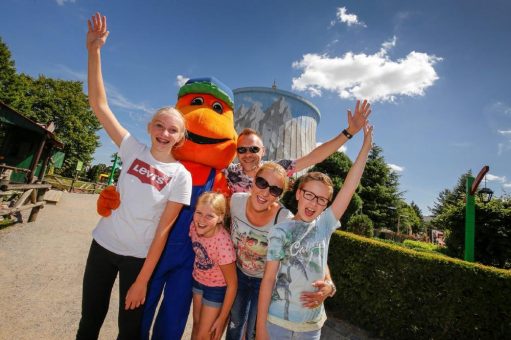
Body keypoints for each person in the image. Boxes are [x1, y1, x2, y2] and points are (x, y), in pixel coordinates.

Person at [77, 13, 192, 340]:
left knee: (128, 332)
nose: (164, 133)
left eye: (173, 130)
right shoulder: (132, 149)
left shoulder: (180, 175)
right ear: (149, 128)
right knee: (89, 321)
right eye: (159, 125)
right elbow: (99, 104)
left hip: (137, 261)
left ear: (180, 138)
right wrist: (93, 51)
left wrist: (142, 279)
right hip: (102, 246)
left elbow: (163, 232)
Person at [256, 122, 373, 340]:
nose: (314, 203)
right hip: (276, 321)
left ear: (326, 204)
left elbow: (350, 185)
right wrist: (261, 328)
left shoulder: (324, 224)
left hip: (311, 327)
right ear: (299, 194)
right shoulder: (280, 231)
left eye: (321, 199)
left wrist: (365, 148)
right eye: (309, 195)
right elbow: (268, 280)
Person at [224, 99, 371, 193]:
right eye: (242, 149)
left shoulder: (276, 169)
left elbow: (315, 157)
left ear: (263, 151)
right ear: (237, 152)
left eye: (254, 149)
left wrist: (349, 132)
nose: (248, 154)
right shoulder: (229, 172)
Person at [226, 162, 294, 340]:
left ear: (280, 195)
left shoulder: (285, 219)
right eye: (262, 183)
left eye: (274, 190)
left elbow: (309, 245)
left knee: (254, 330)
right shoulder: (236, 201)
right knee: (235, 323)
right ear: (253, 180)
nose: (264, 193)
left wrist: (326, 278)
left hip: (265, 282)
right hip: (238, 274)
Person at [190, 192, 237, 340]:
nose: (202, 220)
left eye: (209, 216)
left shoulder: (223, 244)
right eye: (199, 213)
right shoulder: (194, 227)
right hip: (198, 281)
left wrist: (222, 317)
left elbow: (232, 284)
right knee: (197, 325)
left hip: (216, 289)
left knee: (205, 334)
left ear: (220, 218)